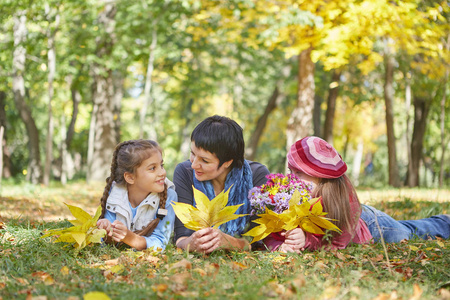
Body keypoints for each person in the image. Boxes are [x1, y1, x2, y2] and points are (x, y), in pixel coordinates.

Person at [266, 136, 450, 252]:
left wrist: (306, 240)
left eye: (298, 173)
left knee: (412, 232)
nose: (291, 178)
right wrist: (281, 246)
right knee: (408, 227)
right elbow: (270, 233)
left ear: (320, 176)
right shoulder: (289, 192)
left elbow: (338, 243)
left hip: (370, 225)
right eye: (290, 171)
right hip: (361, 220)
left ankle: (445, 222)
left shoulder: (340, 197)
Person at [173, 115, 270, 253]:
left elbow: (258, 242)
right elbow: (181, 237)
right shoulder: (185, 172)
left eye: (204, 161)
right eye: (193, 153)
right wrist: (191, 243)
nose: (194, 165)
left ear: (227, 162)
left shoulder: (257, 175)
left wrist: (229, 242)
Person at [96, 139, 177, 251]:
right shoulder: (115, 193)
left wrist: (131, 238)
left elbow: (161, 242)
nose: (162, 172)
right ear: (130, 177)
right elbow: (106, 240)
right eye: (152, 168)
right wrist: (105, 228)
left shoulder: (170, 196)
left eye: (161, 165)